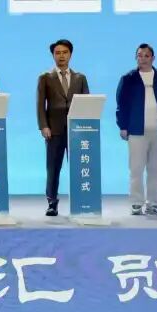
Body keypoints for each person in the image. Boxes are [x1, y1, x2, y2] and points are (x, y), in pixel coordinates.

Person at [115, 43, 157, 216]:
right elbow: (121, 104)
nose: (143, 59)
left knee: (155, 169)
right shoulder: (128, 78)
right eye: (140, 55)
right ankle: (136, 203)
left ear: (153, 58)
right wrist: (123, 126)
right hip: (136, 130)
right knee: (136, 168)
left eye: (147, 55)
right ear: (136, 58)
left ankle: (153, 203)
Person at [36, 39, 89, 217]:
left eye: (65, 52)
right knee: (53, 168)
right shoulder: (45, 77)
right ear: (53, 55)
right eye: (57, 53)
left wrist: (86, 127)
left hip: (76, 131)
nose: (61, 56)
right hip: (54, 130)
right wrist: (44, 126)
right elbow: (40, 104)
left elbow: (87, 103)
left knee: (79, 167)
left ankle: (82, 201)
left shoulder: (80, 78)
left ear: (70, 54)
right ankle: (52, 202)